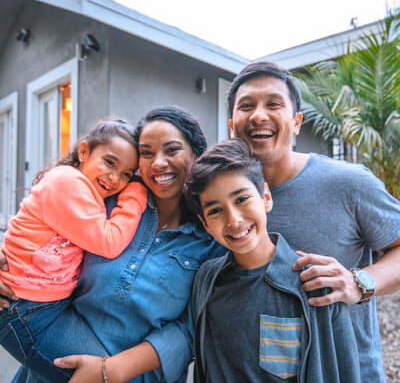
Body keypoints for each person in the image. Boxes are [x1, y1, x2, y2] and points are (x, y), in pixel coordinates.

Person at [0, 106, 225, 383]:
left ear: (196, 155)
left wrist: (112, 370)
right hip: (48, 362)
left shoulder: (211, 238)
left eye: (172, 150)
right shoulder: (107, 203)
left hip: (136, 377)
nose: (157, 163)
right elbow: (38, 231)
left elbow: (192, 328)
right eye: (146, 153)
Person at [228, 61, 400, 382]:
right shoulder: (219, 200)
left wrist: (359, 282)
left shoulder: (350, 183)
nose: (258, 115)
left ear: (296, 122)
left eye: (274, 104)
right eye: (246, 106)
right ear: (231, 125)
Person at [185, 138, 361, 382]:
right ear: (205, 224)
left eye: (241, 199)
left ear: (266, 197)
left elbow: (344, 369)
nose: (233, 219)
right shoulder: (206, 281)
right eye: (215, 210)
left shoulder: (316, 282)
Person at [0, 119, 147, 369]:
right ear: (84, 152)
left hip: (44, 306)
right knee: (100, 374)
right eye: (109, 162)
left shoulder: (82, 188)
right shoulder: (68, 183)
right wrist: (136, 193)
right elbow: (109, 241)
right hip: (23, 307)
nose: (114, 178)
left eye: (126, 174)